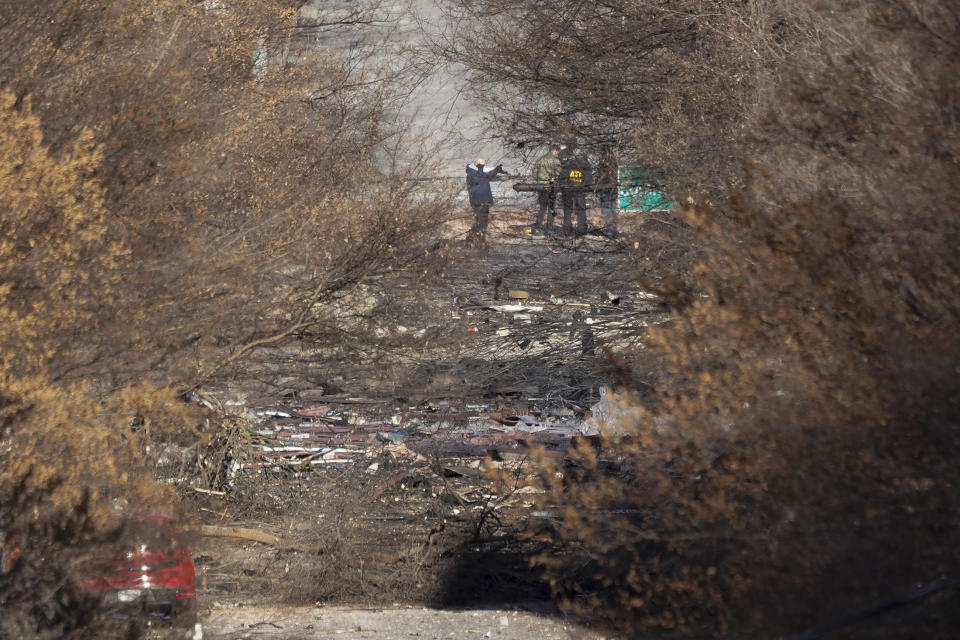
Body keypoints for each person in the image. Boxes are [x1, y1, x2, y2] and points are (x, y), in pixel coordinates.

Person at [465, 157, 507, 243]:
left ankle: (471, 239)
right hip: (480, 202)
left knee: (479, 221)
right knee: (482, 223)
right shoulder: (472, 174)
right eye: (482, 166)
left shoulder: (476, 173)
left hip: (480, 202)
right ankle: (480, 241)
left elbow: (488, 175)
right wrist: (495, 170)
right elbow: (483, 176)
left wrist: (496, 170)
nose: (483, 167)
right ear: (477, 166)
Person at [559, 143, 591, 235]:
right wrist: (587, 184)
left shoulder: (563, 155)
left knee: (568, 209)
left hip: (569, 186)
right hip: (578, 186)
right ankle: (580, 229)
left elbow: (561, 171)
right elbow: (588, 170)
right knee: (580, 208)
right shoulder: (581, 154)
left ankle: (567, 229)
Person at [530, 145, 561, 234]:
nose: (557, 153)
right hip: (551, 185)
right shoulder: (556, 160)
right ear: (553, 151)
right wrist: (554, 179)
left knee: (542, 207)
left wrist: (537, 179)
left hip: (540, 185)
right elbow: (558, 173)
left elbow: (534, 171)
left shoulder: (540, 159)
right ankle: (549, 227)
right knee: (551, 206)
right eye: (557, 151)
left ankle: (538, 226)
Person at [596, 146, 619, 238]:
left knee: (607, 210)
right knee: (613, 210)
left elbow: (600, 178)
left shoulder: (603, 164)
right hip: (613, 190)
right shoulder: (615, 163)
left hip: (605, 189)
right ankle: (614, 229)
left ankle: (609, 231)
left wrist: (597, 187)